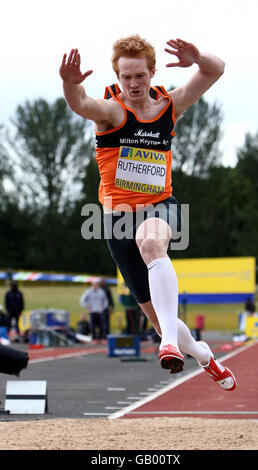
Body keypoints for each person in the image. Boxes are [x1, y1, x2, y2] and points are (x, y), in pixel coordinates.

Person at [60, 35, 237, 390]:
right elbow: (80, 103)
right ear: (117, 77)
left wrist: (198, 56)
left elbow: (215, 70)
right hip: (117, 219)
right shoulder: (112, 112)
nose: (133, 84)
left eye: (140, 76)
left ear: (152, 72)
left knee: (151, 243)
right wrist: (69, 84)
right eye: (126, 77)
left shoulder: (169, 106)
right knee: (158, 319)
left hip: (159, 206)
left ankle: (168, 343)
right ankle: (202, 355)